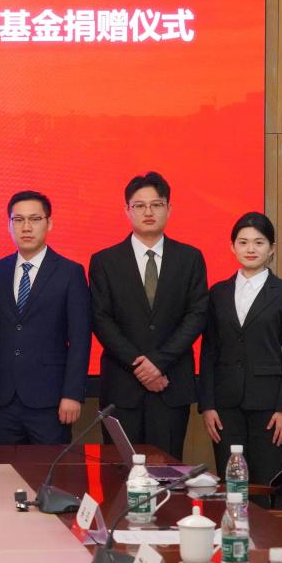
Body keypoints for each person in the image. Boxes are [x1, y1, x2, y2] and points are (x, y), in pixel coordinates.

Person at [89, 172, 208, 460]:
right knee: (120, 473)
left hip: (170, 385)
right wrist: (139, 364)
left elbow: (196, 315)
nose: (148, 212)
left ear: (169, 208)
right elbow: (101, 319)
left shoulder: (190, 258)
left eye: (156, 204)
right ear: (127, 210)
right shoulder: (105, 260)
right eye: (139, 205)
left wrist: (158, 362)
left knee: (166, 471)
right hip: (122, 387)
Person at [199, 212, 282, 492]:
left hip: (269, 405)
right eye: (243, 242)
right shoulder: (218, 292)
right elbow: (209, 350)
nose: (251, 249)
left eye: (259, 242)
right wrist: (207, 405)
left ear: (271, 248)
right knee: (231, 484)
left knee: (264, 485)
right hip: (225, 404)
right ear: (232, 247)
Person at [0, 191, 91, 444]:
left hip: (50, 400)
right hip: (0, 400)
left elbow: (80, 339)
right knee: (1, 467)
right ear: (9, 224)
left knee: (50, 467)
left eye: (34, 219)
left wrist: (72, 394)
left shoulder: (70, 272)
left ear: (49, 223)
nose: (26, 227)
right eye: (18, 220)